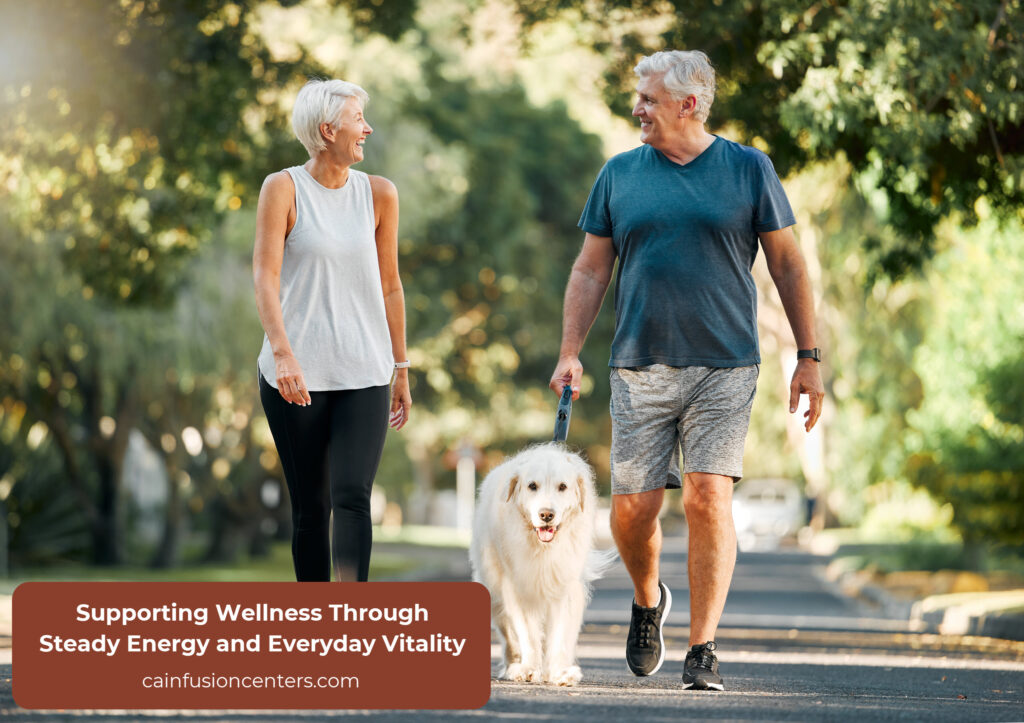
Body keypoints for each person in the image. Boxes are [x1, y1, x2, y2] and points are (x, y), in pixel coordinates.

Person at [549, 50, 824, 691]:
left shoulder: (749, 169)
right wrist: (569, 351)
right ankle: (650, 601)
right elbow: (591, 270)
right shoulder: (619, 174)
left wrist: (808, 357)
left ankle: (703, 648)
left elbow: (788, 264)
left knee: (708, 496)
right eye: (638, 97)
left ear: (688, 104)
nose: (637, 108)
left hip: (725, 362)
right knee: (631, 511)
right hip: (638, 362)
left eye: (647, 98)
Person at [253, 78, 411, 582]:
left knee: (352, 498)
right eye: (357, 119)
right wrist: (283, 355)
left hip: (364, 371)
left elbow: (391, 286)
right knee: (310, 506)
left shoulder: (379, 194)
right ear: (327, 129)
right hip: (295, 375)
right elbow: (265, 277)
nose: (367, 128)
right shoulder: (283, 188)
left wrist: (401, 366)